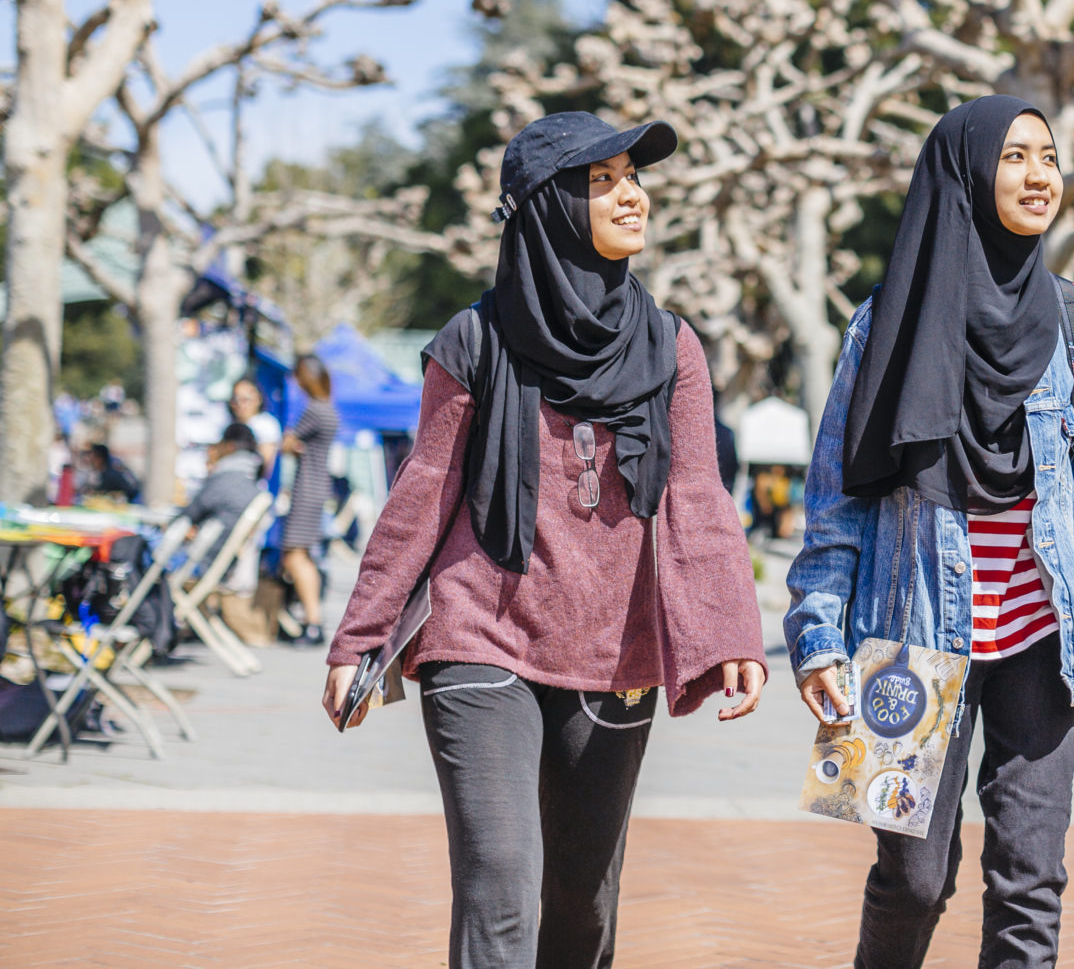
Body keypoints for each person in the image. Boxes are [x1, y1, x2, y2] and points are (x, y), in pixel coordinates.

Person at [322, 110, 766, 969]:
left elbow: (696, 492)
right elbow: (422, 490)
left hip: (615, 645)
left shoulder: (673, 346)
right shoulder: (476, 338)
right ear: (548, 205)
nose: (631, 193)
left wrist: (729, 629)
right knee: (499, 874)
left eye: (633, 176)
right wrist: (362, 633)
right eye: (603, 181)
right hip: (479, 631)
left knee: (582, 894)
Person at [785, 95, 1074, 969]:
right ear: (964, 171)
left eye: (1050, 157)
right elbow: (838, 495)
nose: (1040, 176)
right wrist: (815, 636)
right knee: (913, 878)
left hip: (1044, 639)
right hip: (905, 636)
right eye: (1015, 157)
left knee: (1030, 877)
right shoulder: (885, 321)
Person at [279, 355, 338, 648]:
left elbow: (287, 443)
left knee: (294, 554)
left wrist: (292, 445)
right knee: (303, 554)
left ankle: (312, 621)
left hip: (306, 488)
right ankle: (311, 621)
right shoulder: (328, 408)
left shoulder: (314, 410)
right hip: (318, 487)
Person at [178, 423, 267, 575]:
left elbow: (187, 515)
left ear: (230, 446)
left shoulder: (224, 479)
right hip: (220, 563)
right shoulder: (250, 482)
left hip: (198, 561)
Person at [229, 377, 282, 478]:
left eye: (245, 400)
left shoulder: (266, 424)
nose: (240, 404)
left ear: (258, 399)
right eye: (235, 400)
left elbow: (265, 464)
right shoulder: (229, 423)